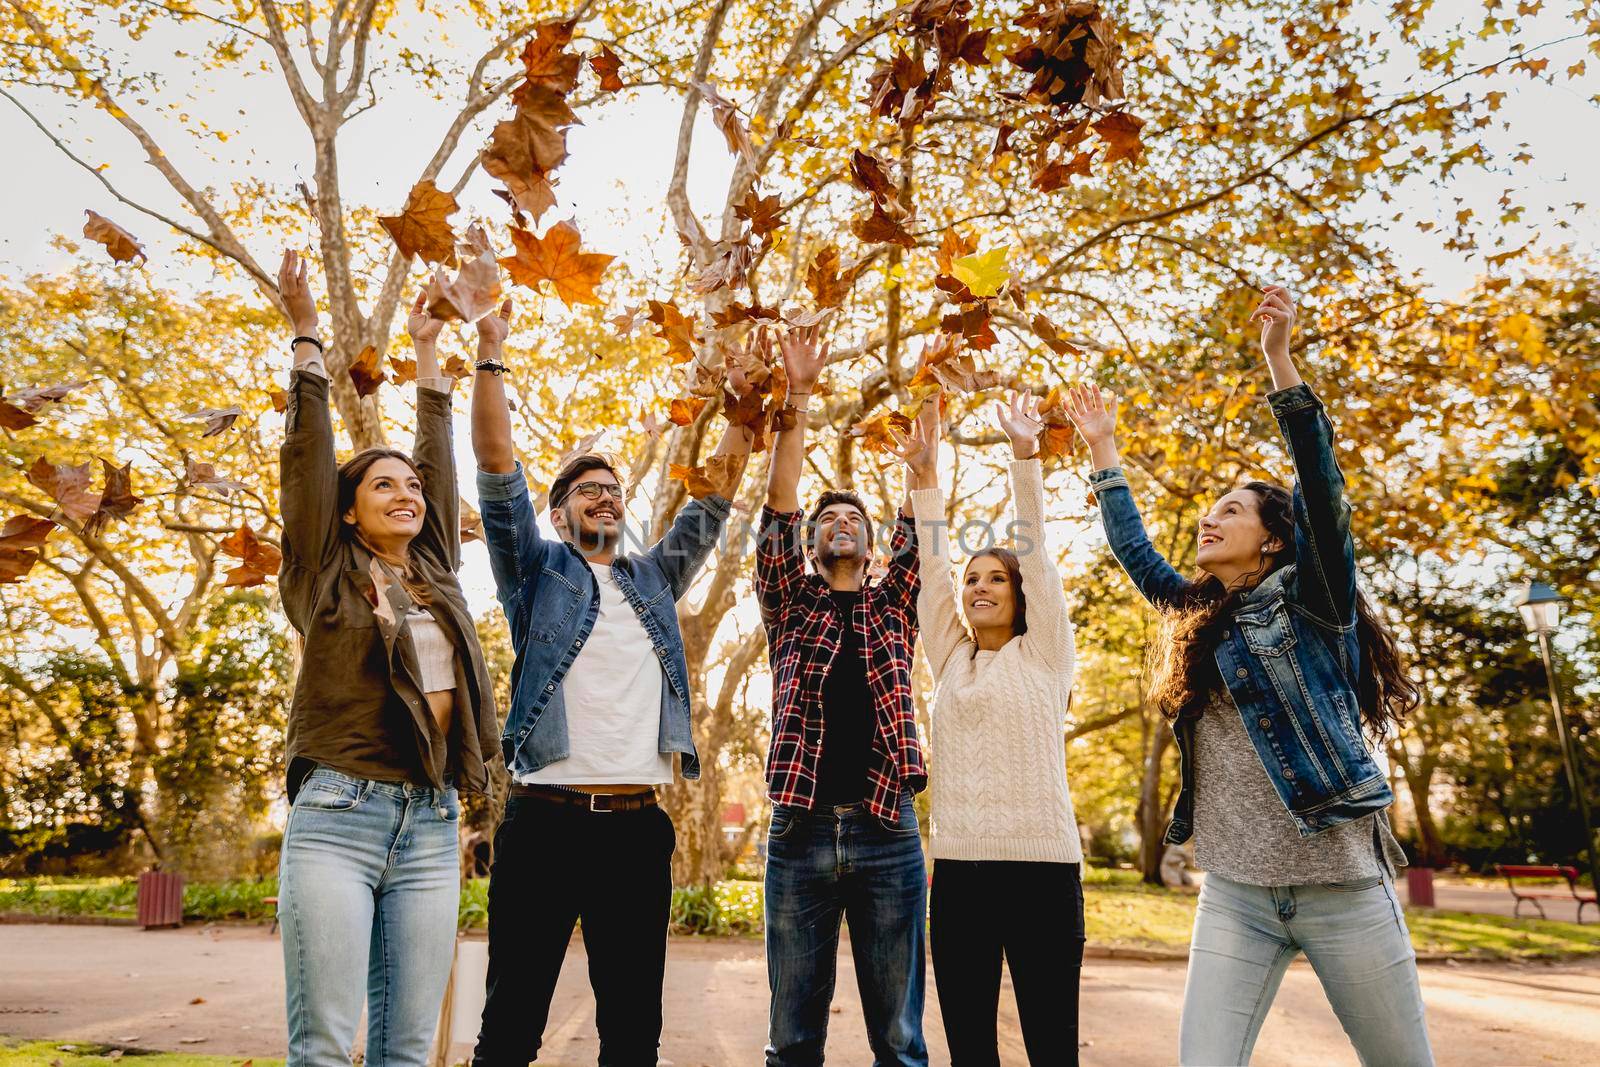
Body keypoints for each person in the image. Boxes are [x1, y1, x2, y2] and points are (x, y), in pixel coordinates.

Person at [1064, 286, 1432, 1066]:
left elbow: (1323, 491)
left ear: (1272, 542)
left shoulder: (1316, 604)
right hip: (1235, 894)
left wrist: (1279, 361)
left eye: (1232, 509)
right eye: (1210, 508)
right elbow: (1137, 554)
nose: (1210, 517)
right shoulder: (1201, 617)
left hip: (1340, 886)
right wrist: (1103, 450)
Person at [469, 306, 756, 1067]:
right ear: (558, 514)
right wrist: (490, 348)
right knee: (511, 1028)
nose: (605, 494)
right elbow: (497, 473)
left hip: (635, 830)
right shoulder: (537, 573)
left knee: (632, 1034)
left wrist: (747, 405)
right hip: (543, 826)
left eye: (613, 487)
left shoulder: (653, 579)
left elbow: (714, 501)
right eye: (587, 488)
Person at [273, 249, 500, 1067]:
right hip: (338, 813)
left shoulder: (435, 569)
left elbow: (439, 466)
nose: (405, 492)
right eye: (381, 487)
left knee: (409, 1050)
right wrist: (306, 335)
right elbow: (306, 463)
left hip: (432, 820)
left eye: (408, 485)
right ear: (345, 514)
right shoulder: (322, 572)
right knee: (328, 1045)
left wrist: (430, 351)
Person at [755, 324, 930, 1067]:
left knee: (899, 1035)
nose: (841, 523)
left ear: (872, 541)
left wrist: (925, 458)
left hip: (887, 829)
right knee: (794, 1037)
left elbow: (923, 526)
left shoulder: (895, 603)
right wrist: (795, 395)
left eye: (854, 518)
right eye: (828, 520)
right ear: (812, 543)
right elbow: (777, 511)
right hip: (798, 832)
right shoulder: (790, 602)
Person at [904, 391, 1084, 1066]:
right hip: (959, 876)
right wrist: (925, 476)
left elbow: (1035, 552)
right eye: (972, 578)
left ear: (1019, 591)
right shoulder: (952, 658)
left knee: (1050, 1048)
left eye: (995, 579)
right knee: (971, 1049)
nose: (978, 587)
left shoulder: (1045, 653)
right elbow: (931, 575)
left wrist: (1023, 454)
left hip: (1044, 874)